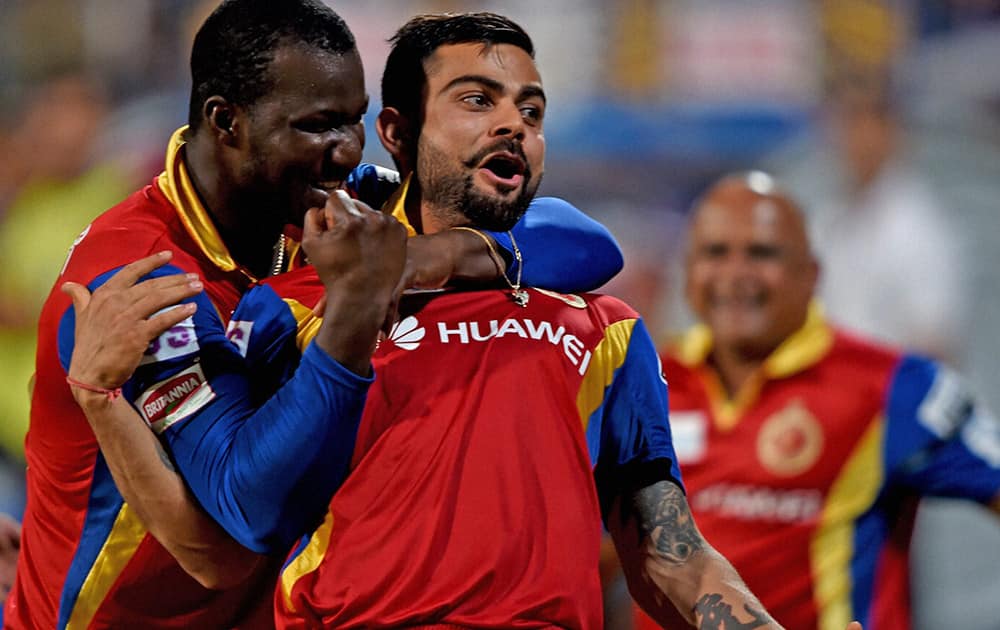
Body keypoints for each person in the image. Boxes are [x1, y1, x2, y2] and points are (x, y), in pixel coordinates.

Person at [66, 12, 865, 630]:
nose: (512, 122)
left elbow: (671, 551)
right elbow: (239, 519)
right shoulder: (291, 306)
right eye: (476, 101)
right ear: (398, 134)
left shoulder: (605, 329)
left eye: (532, 108)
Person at [5, 2, 625, 628]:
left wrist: (425, 256)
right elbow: (244, 523)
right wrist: (356, 306)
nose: (346, 150)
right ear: (227, 121)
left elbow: (585, 242)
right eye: (318, 125)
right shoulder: (143, 279)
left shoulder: (328, 199)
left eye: (354, 121)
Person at [630, 171, 1000, 630]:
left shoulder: (895, 388)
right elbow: (599, 551)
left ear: (812, 274)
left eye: (761, 253)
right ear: (687, 273)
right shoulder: (641, 384)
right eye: (716, 253)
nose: (736, 274)